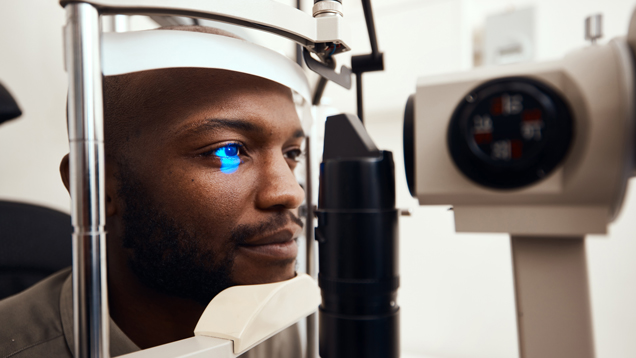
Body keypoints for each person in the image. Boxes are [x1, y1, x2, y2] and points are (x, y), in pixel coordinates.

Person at [0, 26, 306, 358]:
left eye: (291, 154)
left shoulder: (291, 331)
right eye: (228, 152)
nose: (290, 192)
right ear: (94, 186)